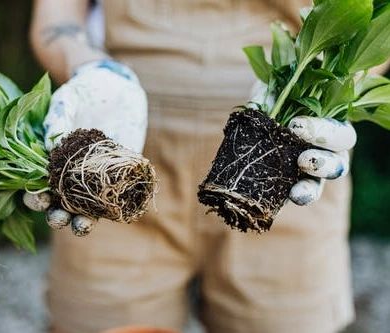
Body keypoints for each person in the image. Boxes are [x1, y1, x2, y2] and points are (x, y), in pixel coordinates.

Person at [29, 1, 360, 332]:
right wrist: (87, 67)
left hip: (278, 168)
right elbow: (58, 15)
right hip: (120, 161)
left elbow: (370, 29)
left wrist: (320, 93)